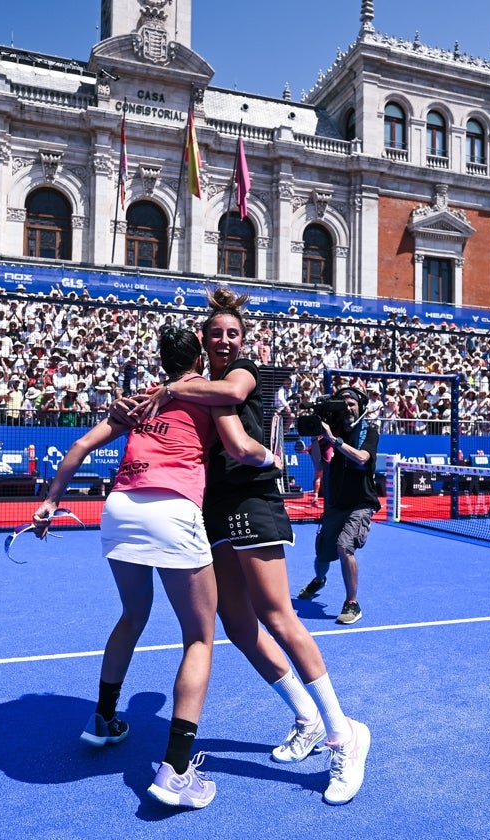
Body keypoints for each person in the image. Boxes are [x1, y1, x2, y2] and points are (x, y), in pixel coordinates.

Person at [119, 288, 370, 806]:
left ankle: (343, 733)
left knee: (279, 618)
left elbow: (232, 403)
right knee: (236, 627)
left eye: (233, 333)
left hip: (253, 503)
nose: (226, 341)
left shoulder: (239, 376)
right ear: (202, 342)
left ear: (243, 339)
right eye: (216, 335)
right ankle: (304, 716)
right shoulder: (190, 388)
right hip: (211, 513)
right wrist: (150, 399)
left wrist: (269, 459)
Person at [32, 326, 277, 810]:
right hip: (173, 508)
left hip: (121, 508)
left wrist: (49, 501)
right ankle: (177, 771)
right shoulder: (208, 396)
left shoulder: (142, 399)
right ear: (198, 361)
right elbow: (238, 447)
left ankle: (103, 719)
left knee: (133, 614)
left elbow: (80, 447)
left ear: (162, 361)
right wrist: (270, 456)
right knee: (199, 637)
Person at [297, 384, 381, 627]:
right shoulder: (328, 431)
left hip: (360, 503)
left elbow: (363, 458)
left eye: (351, 403)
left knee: (344, 547)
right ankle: (319, 580)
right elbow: (320, 466)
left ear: (360, 407)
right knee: (322, 554)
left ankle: (352, 603)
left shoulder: (369, 431)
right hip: (335, 503)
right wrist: (316, 437)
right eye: (342, 404)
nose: (347, 408)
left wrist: (333, 440)